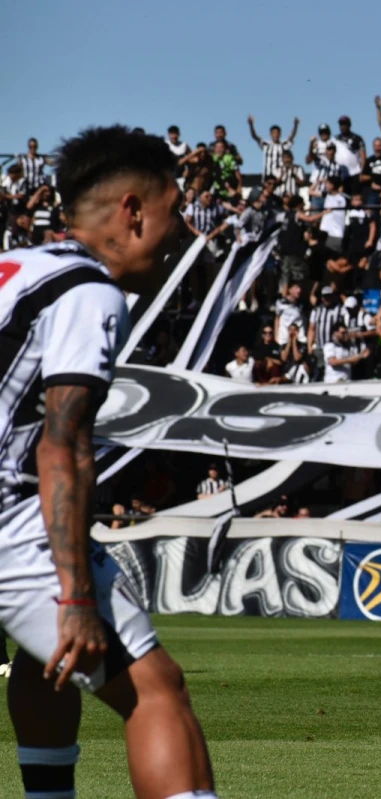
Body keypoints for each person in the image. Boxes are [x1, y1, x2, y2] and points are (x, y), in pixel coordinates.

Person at [0, 125, 216, 798]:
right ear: (132, 209)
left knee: (43, 661)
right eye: (176, 208)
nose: (182, 228)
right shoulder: (89, 293)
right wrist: (74, 596)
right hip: (9, 516)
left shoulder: (20, 267)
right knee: (157, 690)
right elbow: (62, 442)